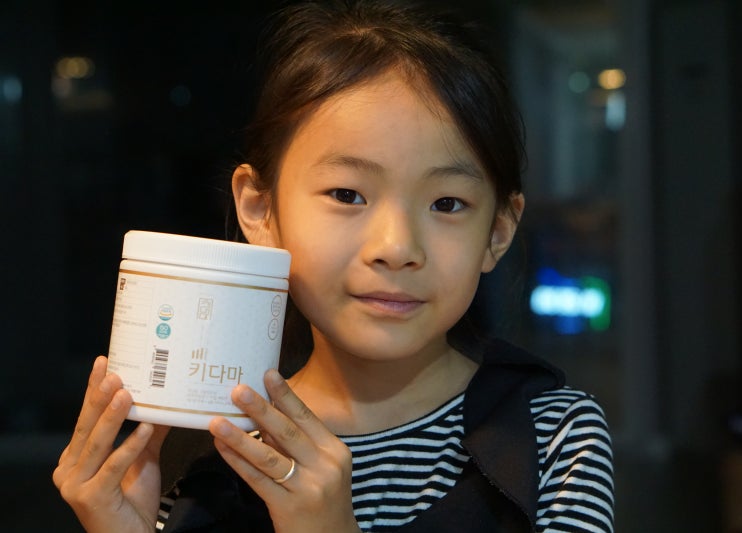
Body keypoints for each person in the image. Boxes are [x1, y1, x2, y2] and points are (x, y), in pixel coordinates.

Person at [52, 1, 614, 531]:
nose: (396, 247)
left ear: (498, 231)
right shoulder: (209, 445)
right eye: (347, 195)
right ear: (260, 208)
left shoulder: (550, 436)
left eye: (447, 203)